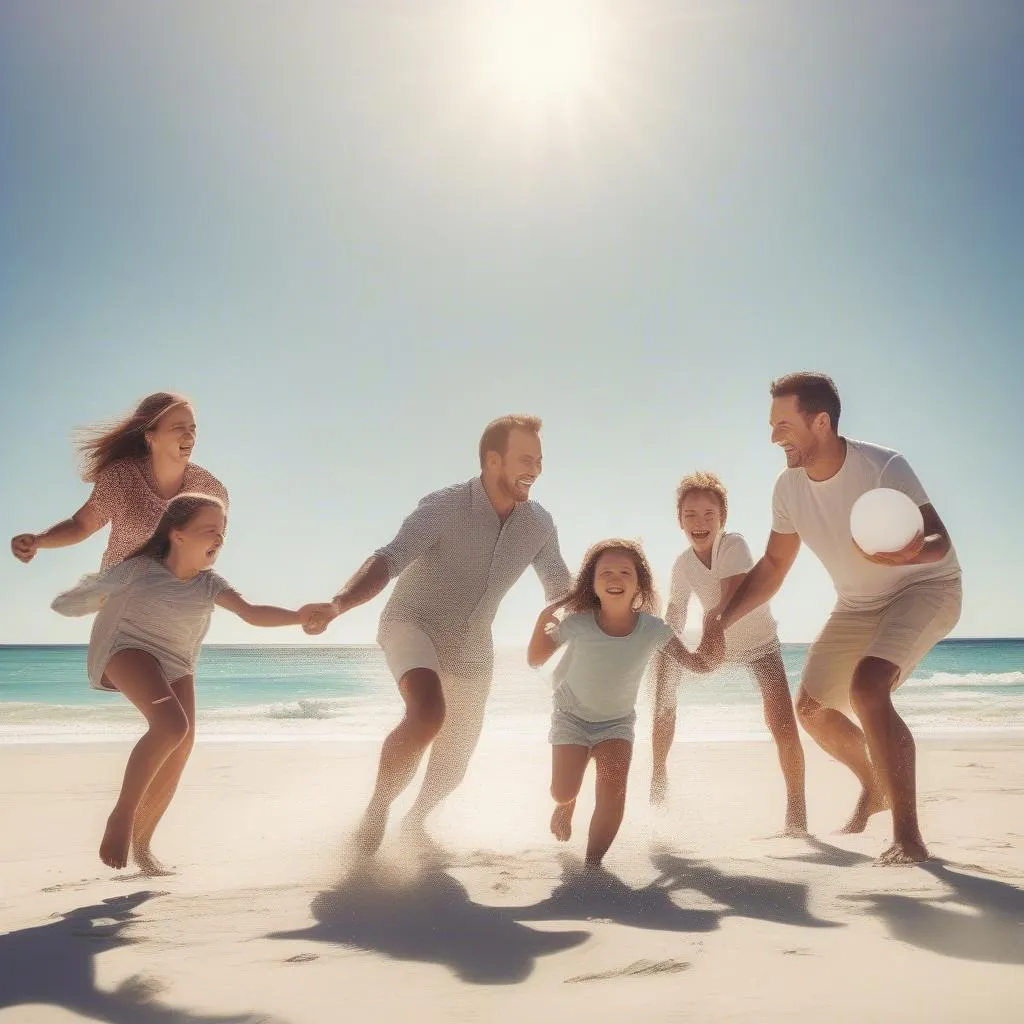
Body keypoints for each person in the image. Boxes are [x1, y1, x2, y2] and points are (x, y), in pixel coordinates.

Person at [715, 373, 961, 865]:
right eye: (771, 425)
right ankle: (876, 784)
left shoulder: (883, 465)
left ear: (821, 421)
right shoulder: (788, 488)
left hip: (924, 587)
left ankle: (908, 838)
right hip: (858, 603)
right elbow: (773, 568)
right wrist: (722, 623)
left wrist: (907, 556)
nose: (773, 437)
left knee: (867, 688)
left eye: (783, 424)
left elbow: (940, 543)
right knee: (810, 709)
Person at [302, 414, 573, 854]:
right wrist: (338, 604)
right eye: (526, 458)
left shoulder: (538, 525)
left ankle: (415, 822)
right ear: (492, 459)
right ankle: (376, 811)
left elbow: (561, 589)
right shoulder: (445, 507)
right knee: (427, 714)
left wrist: (607, 611)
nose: (536, 469)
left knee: (453, 765)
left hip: (472, 646)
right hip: (413, 622)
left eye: (540, 459)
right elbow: (389, 559)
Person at [52, 493, 312, 874]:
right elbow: (90, 592)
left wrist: (299, 616)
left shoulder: (210, 584)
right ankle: (121, 816)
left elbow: (252, 613)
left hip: (176, 663)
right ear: (178, 535)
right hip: (126, 650)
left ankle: (143, 847)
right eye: (210, 530)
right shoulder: (139, 569)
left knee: (181, 745)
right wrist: (77, 599)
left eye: (223, 532)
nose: (219, 538)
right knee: (171, 725)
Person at [527, 539, 724, 866]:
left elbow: (692, 661)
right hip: (571, 718)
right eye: (605, 572)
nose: (615, 578)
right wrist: (544, 617)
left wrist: (713, 643)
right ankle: (566, 804)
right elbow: (536, 658)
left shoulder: (652, 629)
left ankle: (593, 865)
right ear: (592, 583)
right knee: (562, 791)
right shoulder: (577, 625)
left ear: (639, 584)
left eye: (624, 572)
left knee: (613, 792)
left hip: (616, 724)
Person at [651, 471, 807, 836]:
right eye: (690, 515)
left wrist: (707, 633)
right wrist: (668, 648)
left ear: (722, 519)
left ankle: (797, 811)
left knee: (781, 723)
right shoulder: (682, 564)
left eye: (709, 515)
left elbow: (727, 602)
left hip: (758, 645)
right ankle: (658, 777)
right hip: (711, 644)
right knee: (663, 670)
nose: (700, 523)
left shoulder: (733, 544)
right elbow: (675, 615)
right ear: (679, 521)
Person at [11, 392, 227, 570]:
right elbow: (82, 525)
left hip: (176, 600)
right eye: (178, 428)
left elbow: (211, 552)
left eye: (192, 429)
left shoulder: (210, 491)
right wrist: (38, 541)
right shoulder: (122, 477)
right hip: (119, 593)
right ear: (150, 436)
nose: (189, 437)